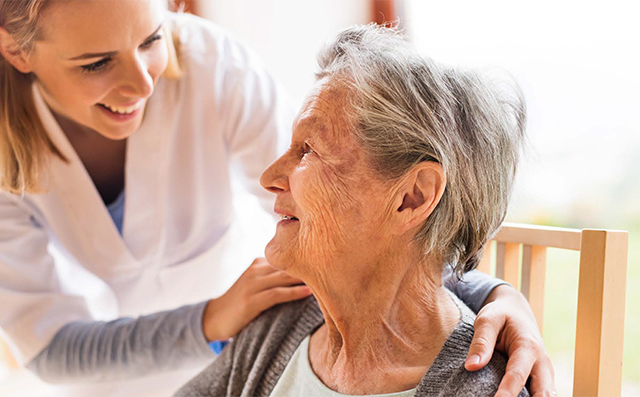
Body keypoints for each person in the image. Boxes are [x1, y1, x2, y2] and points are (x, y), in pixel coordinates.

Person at [0, 0, 552, 395]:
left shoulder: (209, 65)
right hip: (139, 372)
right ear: (14, 50)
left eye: (151, 39)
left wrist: (494, 294)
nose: (142, 81)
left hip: (265, 320)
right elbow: (48, 343)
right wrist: (209, 323)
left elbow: (359, 218)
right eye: (95, 63)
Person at [176, 25, 533, 396]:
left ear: (412, 197)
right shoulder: (277, 328)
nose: (269, 178)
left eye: (308, 150)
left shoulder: (482, 389)